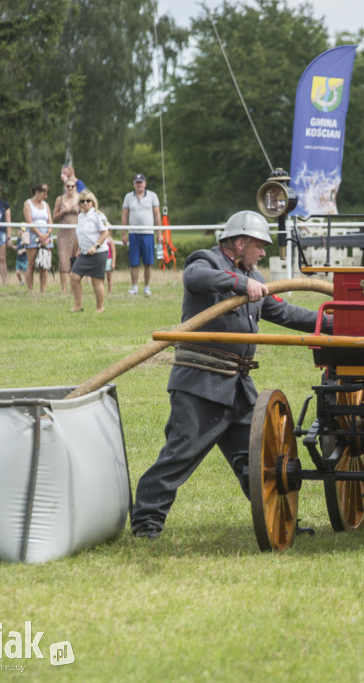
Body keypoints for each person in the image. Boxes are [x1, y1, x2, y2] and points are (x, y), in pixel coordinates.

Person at [130, 210, 332, 539]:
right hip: (201, 383)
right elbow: (195, 278)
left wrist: (332, 322)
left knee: (259, 461)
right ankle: (145, 525)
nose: (263, 252)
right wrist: (241, 283)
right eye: (259, 245)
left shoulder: (256, 279)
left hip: (238, 388)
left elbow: (283, 312)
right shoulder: (206, 261)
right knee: (178, 456)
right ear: (239, 243)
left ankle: (281, 523)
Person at [69, 190, 110, 313]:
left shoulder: (99, 216)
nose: (85, 203)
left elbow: (105, 233)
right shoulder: (80, 216)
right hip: (84, 253)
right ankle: (77, 306)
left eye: (88, 201)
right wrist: (79, 249)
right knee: (74, 276)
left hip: (98, 252)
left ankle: (100, 307)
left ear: (93, 202)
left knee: (96, 280)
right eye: (82, 201)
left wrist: (95, 246)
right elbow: (82, 235)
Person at [121, 173, 161, 297]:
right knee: (134, 262)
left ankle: (147, 287)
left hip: (148, 233)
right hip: (133, 233)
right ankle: (134, 287)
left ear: (145, 183)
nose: (139, 185)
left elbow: (157, 215)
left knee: (148, 262)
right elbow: (124, 215)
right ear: (134, 184)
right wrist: (124, 233)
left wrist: (159, 233)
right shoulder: (128, 197)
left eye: (141, 182)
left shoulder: (153, 196)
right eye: (137, 182)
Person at [52, 177, 81, 293]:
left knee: (77, 260)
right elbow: (54, 218)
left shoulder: (80, 199)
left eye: (72, 186)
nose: (70, 188)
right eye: (68, 186)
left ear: (75, 187)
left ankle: (75, 288)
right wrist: (63, 212)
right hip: (64, 234)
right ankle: (64, 289)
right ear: (65, 187)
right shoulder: (60, 199)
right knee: (64, 261)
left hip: (77, 233)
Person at [23, 183, 53, 293]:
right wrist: (39, 234)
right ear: (37, 192)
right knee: (31, 263)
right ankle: (31, 289)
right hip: (33, 234)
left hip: (46, 235)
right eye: (44, 194)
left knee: (45, 263)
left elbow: (50, 221)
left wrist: (47, 234)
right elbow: (29, 221)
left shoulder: (46, 205)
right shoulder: (28, 203)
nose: (45, 197)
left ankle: (43, 290)